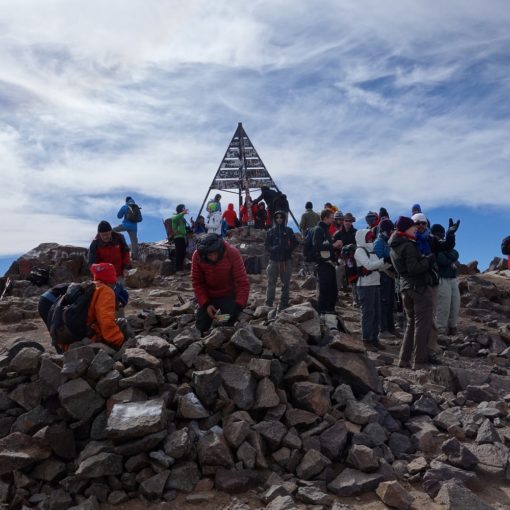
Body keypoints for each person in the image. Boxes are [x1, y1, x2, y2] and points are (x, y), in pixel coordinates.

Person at [389, 216, 436, 369]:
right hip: (419, 288)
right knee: (422, 326)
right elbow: (414, 269)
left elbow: (406, 269)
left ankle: (403, 359)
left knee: (411, 324)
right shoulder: (408, 245)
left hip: (406, 288)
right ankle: (420, 362)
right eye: (413, 227)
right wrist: (427, 260)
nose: (415, 228)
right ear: (406, 229)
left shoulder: (394, 246)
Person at [191, 233, 250, 334]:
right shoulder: (197, 255)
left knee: (230, 321)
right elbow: (197, 283)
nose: (212, 257)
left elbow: (242, 283)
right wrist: (206, 304)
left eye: (214, 253)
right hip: (209, 297)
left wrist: (238, 305)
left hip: (228, 295)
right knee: (201, 327)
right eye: (209, 255)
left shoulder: (232, 253)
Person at [355, 229, 389, 351]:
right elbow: (368, 265)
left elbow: (378, 267)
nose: (370, 239)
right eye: (368, 238)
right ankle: (366, 339)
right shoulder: (359, 251)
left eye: (371, 238)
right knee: (368, 313)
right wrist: (383, 261)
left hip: (375, 284)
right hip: (364, 285)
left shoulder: (371, 250)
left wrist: (388, 262)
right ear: (362, 238)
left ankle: (374, 339)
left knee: (376, 312)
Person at [264, 211, 299, 311]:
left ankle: (284, 303)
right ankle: (268, 303)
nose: (279, 219)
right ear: (274, 219)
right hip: (274, 260)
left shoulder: (288, 230)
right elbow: (266, 246)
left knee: (286, 283)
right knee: (271, 282)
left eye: (281, 217)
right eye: (277, 217)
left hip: (286, 260)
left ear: (284, 219)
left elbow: (295, 242)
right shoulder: (270, 231)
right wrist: (273, 248)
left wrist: (288, 249)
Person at [87, 262, 127, 348]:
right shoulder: (106, 291)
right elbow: (106, 321)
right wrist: (120, 341)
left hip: (72, 337)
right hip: (88, 338)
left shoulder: (91, 286)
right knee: (123, 324)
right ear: (110, 279)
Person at [313, 209, 342, 324]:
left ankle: (330, 311)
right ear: (325, 218)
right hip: (323, 264)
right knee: (325, 289)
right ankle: (323, 313)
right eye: (331, 217)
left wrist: (334, 247)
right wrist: (333, 245)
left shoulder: (324, 230)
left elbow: (327, 247)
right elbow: (317, 246)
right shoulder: (319, 230)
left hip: (329, 263)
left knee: (332, 289)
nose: (333, 219)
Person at [431, 224, 460, 336]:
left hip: (452, 279)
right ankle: (441, 330)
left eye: (443, 234)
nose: (442, 237)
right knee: (443, 305)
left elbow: (455, 254)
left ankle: (452, 327)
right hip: (441, 278)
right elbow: (441, 260)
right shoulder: (433, 244)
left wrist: (449, 257)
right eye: (439, 234)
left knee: (455, 304)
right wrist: (451, 261)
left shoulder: (444, 245)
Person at [374, 219, 397, 338]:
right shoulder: (379, 242)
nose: (392, 232)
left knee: (390, 302)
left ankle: (390, 327)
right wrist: (389, 260)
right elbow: (378, 258)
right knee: (383, 302)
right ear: (385, 231)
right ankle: (383, 329)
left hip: (389, 274)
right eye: (390, 230)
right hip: (383, 274)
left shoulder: (386, 242)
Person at [113, 196, 142, 260]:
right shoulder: (136, 207)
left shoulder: (125, 206)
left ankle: (112, 245)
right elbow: (140, 219)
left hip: (125, 225)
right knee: (134, 242)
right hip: (134, 228)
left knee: (112, 230)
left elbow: (119, 216)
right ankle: (135, 258)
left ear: (126, 201)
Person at [172, 204, 189, 272]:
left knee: (183, 253)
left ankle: (181, 268)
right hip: (178, 237)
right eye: (183, 208)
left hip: (183, 237)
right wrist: (182, 213)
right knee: (179, 253)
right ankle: (177, 269)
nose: (184, 209)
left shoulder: (182, 218)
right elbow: (174, 219)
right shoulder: (175, 216)